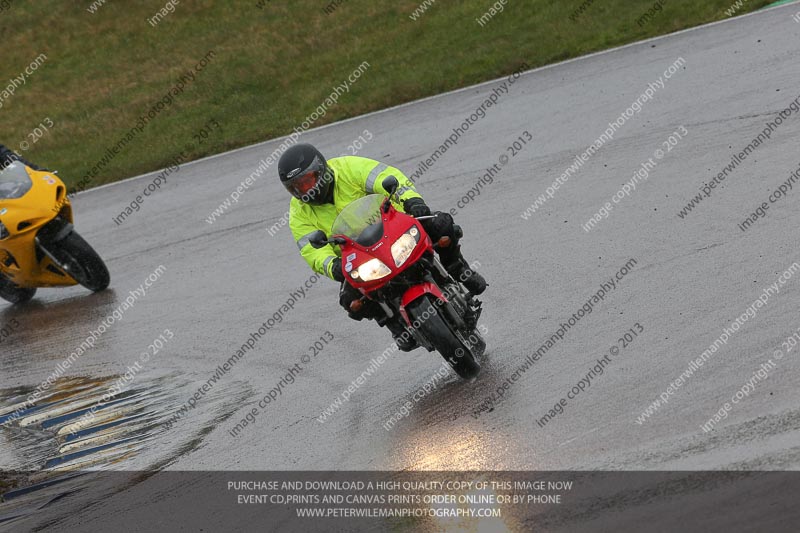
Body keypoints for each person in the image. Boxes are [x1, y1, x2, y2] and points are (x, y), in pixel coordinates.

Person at [279, 143, 486, 351]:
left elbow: (386, 177)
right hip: (358, 258)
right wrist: (334, 266)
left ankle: (458, 268)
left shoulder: (349, 167)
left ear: (321, 170)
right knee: (351, 302)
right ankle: (392, 322)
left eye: (308, 180)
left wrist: (412, 201)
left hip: (394, 229)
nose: (305, 189)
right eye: (296, 187)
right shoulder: (298, 213)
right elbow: (311, 251)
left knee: (441, 226)